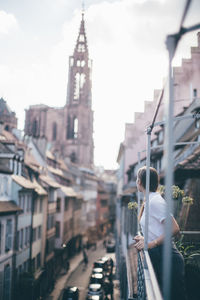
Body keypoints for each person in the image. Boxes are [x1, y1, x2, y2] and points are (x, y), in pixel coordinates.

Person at [134, 166, 187, 300]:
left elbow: (174, 228)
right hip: (162, 257)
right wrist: (144, 238)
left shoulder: (155, 202)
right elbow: (155, 228)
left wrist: (151, 243)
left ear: (140, 182)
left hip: (169, 259)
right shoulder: (150, 201)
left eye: (137, 179)